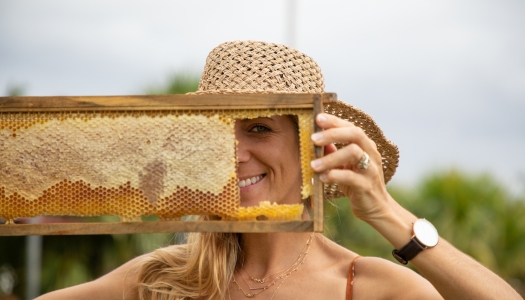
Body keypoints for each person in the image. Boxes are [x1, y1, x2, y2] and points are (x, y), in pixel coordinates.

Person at [36, 40, 522, 300]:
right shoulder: (161, 280)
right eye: (217, 130)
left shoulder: (367, 287)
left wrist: (388, 215)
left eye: (259, 129)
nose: (234, 152)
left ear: (318, 144)